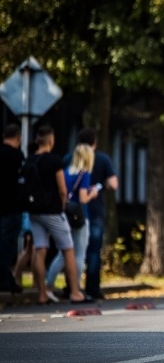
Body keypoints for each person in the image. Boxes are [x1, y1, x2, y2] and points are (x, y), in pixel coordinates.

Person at [27, 126, 92, 305]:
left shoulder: (30, 160)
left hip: (33, 211)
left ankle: (41, 294)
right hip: (53, 211)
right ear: (51, 141)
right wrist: (62, 208)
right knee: (68, 249)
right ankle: (75, 292)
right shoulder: (55, 162)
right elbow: (62, 190)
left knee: (40, 249)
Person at [45, 144, 97, 301]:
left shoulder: (67, 172)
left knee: (63, 253)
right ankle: (75, 288)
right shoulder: (85, 173)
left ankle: (48, 285)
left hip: (66, 215)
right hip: (80, 217)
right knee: (79, 254)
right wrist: (93, 194)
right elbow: (82, 198)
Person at [74, 128, 118, 299]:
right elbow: (114, 183)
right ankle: (92, 288)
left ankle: (72, 286)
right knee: (93, 250)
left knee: (73, 250)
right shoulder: (101, 159)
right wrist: (100, 187)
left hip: (72, 211)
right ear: (95, 143)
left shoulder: (71, 159)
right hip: (94, 210)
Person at [0, 124, 25, 293]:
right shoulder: (17, 156)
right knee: (8, 245)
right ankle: (4, 280)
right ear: (18, 137)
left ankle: (7, 278)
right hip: (11, 206)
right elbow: (22, 180)